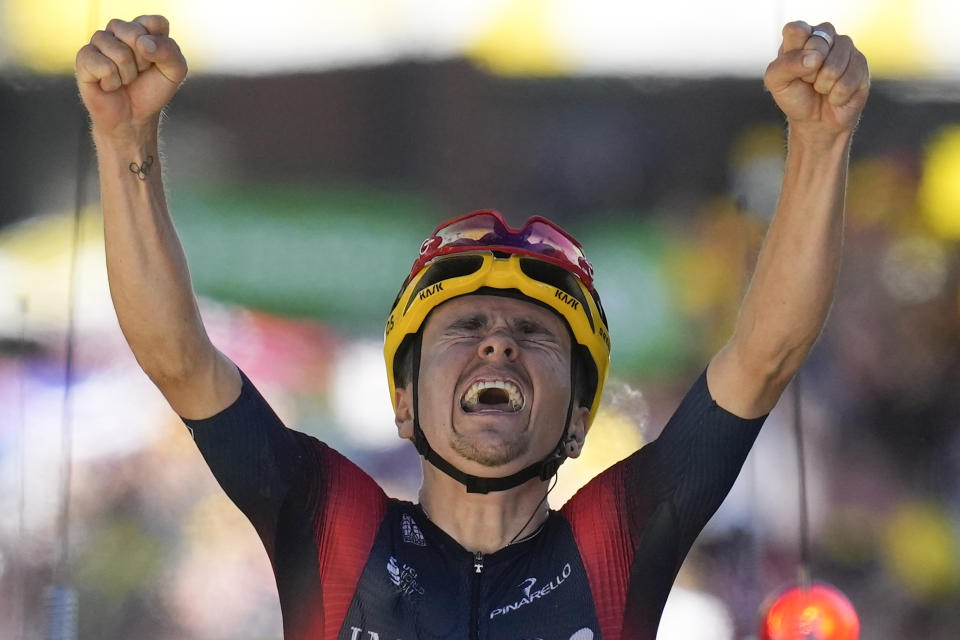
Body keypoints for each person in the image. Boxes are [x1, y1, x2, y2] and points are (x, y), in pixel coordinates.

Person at [75, 16, 869, 640]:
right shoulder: (330, 522)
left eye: (535, 335)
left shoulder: (617, 539)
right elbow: (179, 358)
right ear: (404, 404)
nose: (498, 344)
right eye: (467, 329)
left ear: (581, 419)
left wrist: (822, 142)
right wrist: (123, 139)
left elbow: (764, 356)